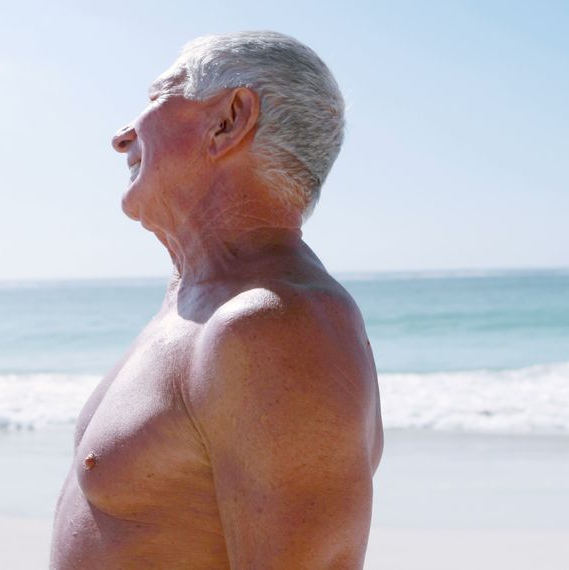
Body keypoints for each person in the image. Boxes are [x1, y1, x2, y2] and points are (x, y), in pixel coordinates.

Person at [51, 31, 383, 569]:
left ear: (229, 120)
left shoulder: (274, 324)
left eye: (161, 95)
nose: (121, 136)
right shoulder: (195, 306)